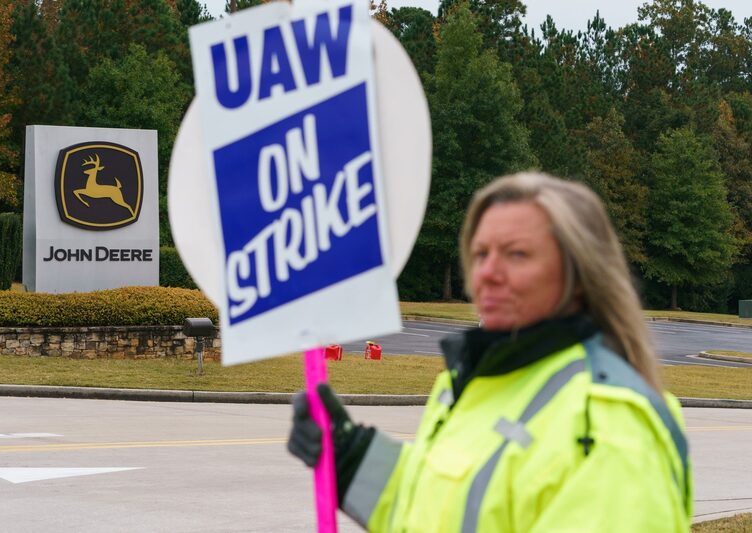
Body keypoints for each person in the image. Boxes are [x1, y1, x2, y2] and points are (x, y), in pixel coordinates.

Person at [288, 172, 692, 532]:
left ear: (580, 275)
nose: (487, 273)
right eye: (481, 254)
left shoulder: (608, 426)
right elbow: (435, 511)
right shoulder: (467, 386)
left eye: (516, 254)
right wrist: (350, 455)